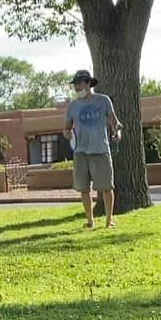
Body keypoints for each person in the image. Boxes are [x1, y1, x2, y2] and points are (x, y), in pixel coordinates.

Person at [63, 69, 123, 229]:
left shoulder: (103, 101)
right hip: (80, 152)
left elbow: (115, 122)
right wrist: (67, 134)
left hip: (100, 150)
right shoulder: (72, 107)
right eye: (75, 85)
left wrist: (118, 132)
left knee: (106, 187)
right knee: (83, 188)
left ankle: (109, 220)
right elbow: (67, 128)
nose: (77, 87)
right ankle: (89, 221)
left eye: (80, 84)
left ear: (88, 83)